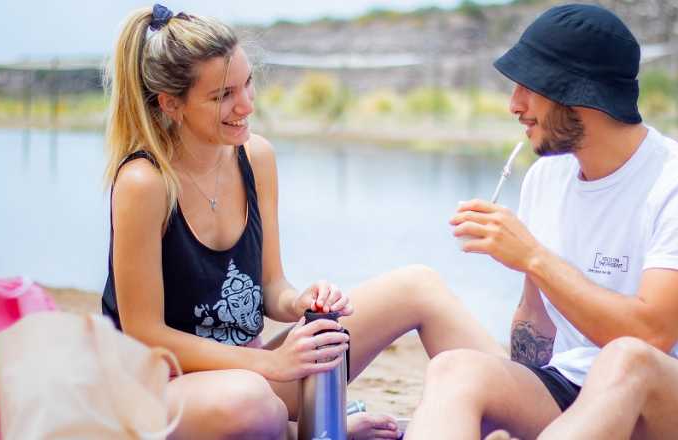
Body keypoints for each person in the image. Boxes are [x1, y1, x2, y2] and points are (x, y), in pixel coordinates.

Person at [100, 5, 503, 439]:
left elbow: (271, 288)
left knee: (417, 285)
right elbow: (145, 334)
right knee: (254, 404)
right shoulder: (144, 182)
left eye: (248, 83)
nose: (246, 105)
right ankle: (312, 431)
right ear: (171, 104)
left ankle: (533, 410)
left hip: (252, 372)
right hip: (163, 392)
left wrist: (301, 302)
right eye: (222, 96)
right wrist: (269, 363)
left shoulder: (256, 158)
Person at [407, 4, 678, 440]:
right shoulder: (546, 177)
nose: (514, 106)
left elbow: (652, 335)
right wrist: (517, 400)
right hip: (579, 385)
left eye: (529, 88)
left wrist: (533, 257)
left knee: (627, 359)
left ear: (582, 95)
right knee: (456, 369)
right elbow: (535, 321)